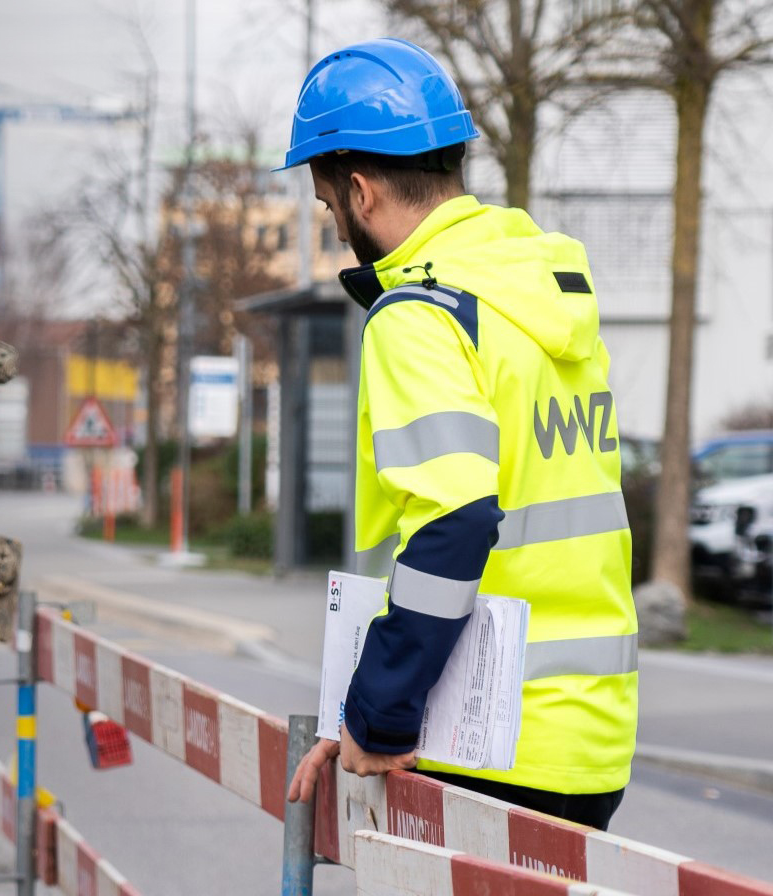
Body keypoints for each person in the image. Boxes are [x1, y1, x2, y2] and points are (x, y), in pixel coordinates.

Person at [278, 38, 637, 829]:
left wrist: (377, 719)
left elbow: (455, 519)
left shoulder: (420, 316)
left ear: (361, 191)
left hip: (480, 746)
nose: (335, 223)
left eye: (327, 202)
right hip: (588, 746)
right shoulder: (539, 293)